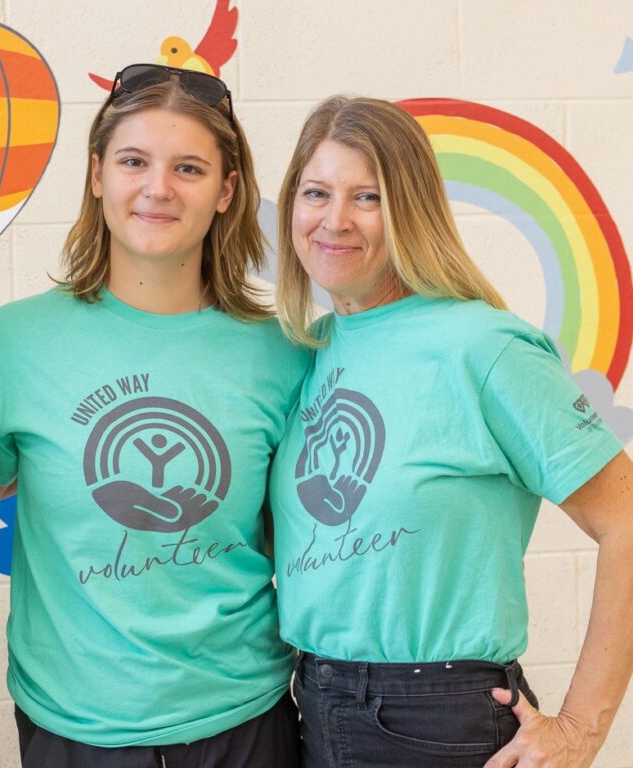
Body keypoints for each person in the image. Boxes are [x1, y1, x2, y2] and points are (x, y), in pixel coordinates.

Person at [270, 95, 633, 768]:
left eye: (368, 197)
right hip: (313, 704)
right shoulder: (311, 352)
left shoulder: (483, 347)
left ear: (411, 209)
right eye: (315, 192)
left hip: (433, 721)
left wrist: (582, 728)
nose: (335, 220)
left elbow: (628, 520)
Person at [0, 64, 310, 766]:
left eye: (188, 168)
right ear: (97, 176)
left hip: (244, 726)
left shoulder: (283, 354)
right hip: (74, 732)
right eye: (133, 161)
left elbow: (303, 543)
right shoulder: (13, 342)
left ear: (227, 191)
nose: (158, 188)